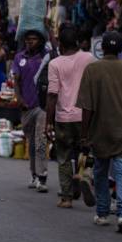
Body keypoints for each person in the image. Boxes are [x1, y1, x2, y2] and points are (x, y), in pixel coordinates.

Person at [77, 31, 122, 234]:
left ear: (102, 48)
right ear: (120, 48)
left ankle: (103, 213)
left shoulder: (92, 69)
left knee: (100, 171)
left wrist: (84, 134)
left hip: (100, 131)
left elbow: (86, 107)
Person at [46, 25, 96, 208]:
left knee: (64, 157)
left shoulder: (55, 64)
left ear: (61, 44)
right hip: (86, 116)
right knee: (87, 150)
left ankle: (66, 197)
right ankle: (84, 174)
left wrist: (48, 122)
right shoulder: (89, 58)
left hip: (63, 119)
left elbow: (52, 95)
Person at [12, 30, 49, 192]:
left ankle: (42, 177)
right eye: (28, 40)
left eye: (33, 39)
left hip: (42, 107)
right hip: (26, 106)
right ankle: (34, 174)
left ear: (40, 41)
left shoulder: (47, 57)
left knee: (41, 141)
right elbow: (16, 81)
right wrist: (19, 99)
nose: (30, 42)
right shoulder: (20, 57)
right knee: (31, 142)